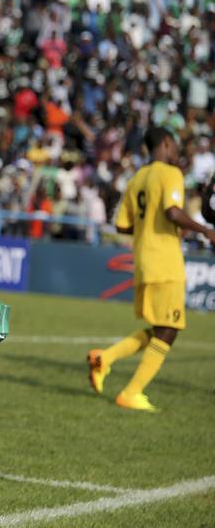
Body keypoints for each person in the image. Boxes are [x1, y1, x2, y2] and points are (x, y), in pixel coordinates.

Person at [88, 127, 215, 412]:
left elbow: (122, 225)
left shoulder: (137, 179)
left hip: (143, 261)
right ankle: (131, 392)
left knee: (160, 328)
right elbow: (172, 211)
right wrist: (205, 230)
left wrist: (150, 228)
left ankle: (104, 358)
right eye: (175, 146)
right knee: (169, 330)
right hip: (165, 262)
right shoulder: (170, 173)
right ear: (167, 143)